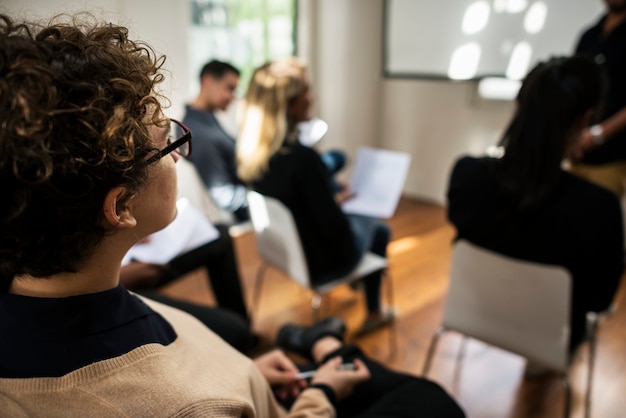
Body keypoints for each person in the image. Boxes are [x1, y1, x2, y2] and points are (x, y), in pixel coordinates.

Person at [0, 14, 466, 417]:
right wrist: (322, 390)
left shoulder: (66, 304)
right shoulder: (187, 405)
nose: (179, 155)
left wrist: (247, 376)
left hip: (249, 379)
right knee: (430, 400)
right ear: (120, 207)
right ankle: (327, 346)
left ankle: (321, 342)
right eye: (166, 142)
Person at [446, 56, 624, 362]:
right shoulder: (599, 207)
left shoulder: (466, 174)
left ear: (519, 107)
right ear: (583, 120)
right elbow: (599, 299)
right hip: (554, 335)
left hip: (474, 313)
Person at [236, 57, 395, 334]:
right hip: (323, 264)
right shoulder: (303, 159)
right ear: (287, 103)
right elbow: (335, 229)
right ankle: (374, 312)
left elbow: (293, 198)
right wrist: (336, 201)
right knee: (379, 228)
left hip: (283, 253)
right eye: (307, 91)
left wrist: (326, 193)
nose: (313, 97)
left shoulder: (253, 152)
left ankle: (365, 286)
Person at [120, 197, 255, 353]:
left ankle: (244, 337)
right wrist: (120, 275)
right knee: (234, 330)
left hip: (126, 259)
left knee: (219, 237)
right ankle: (235, 339)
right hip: (120, 283)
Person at [568, 0, 626, 196]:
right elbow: (571, 88)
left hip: (613, 157)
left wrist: (599, 134)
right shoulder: (589, 36)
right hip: (577, 153)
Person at [183, 60, 251, 222]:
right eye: (230, 88)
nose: (233, 97)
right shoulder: (199, 132)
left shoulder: (206, 119)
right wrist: (261, 200)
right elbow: (223, 194)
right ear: (208, 81)